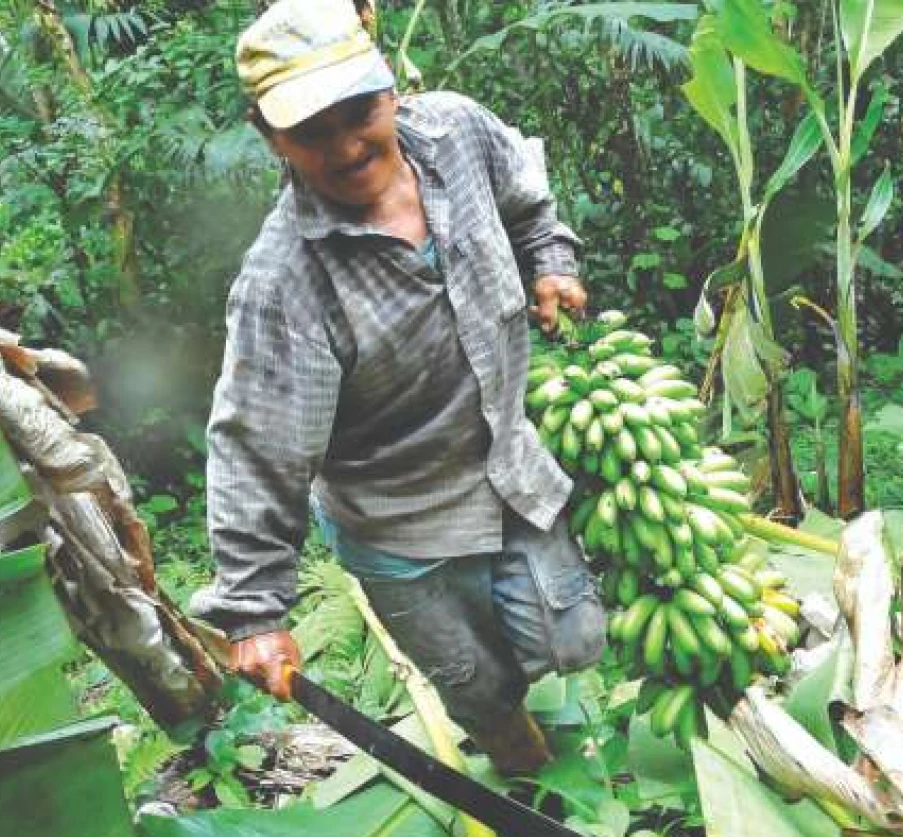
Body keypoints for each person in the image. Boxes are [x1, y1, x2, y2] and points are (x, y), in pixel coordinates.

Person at [191, 0, 605, 775]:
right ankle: (527, 775)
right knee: (479, 690)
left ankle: (554, 724)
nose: (347, 147)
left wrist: (551, 261)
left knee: (574, 636)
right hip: (399, 523)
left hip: (508, 469)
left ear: (388, 88)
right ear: (269, 136)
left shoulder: (457, 133)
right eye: (312, 132)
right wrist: (253, 611)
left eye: (359, 113)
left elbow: (525, 197)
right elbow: (257, 450)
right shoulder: (284, 285)